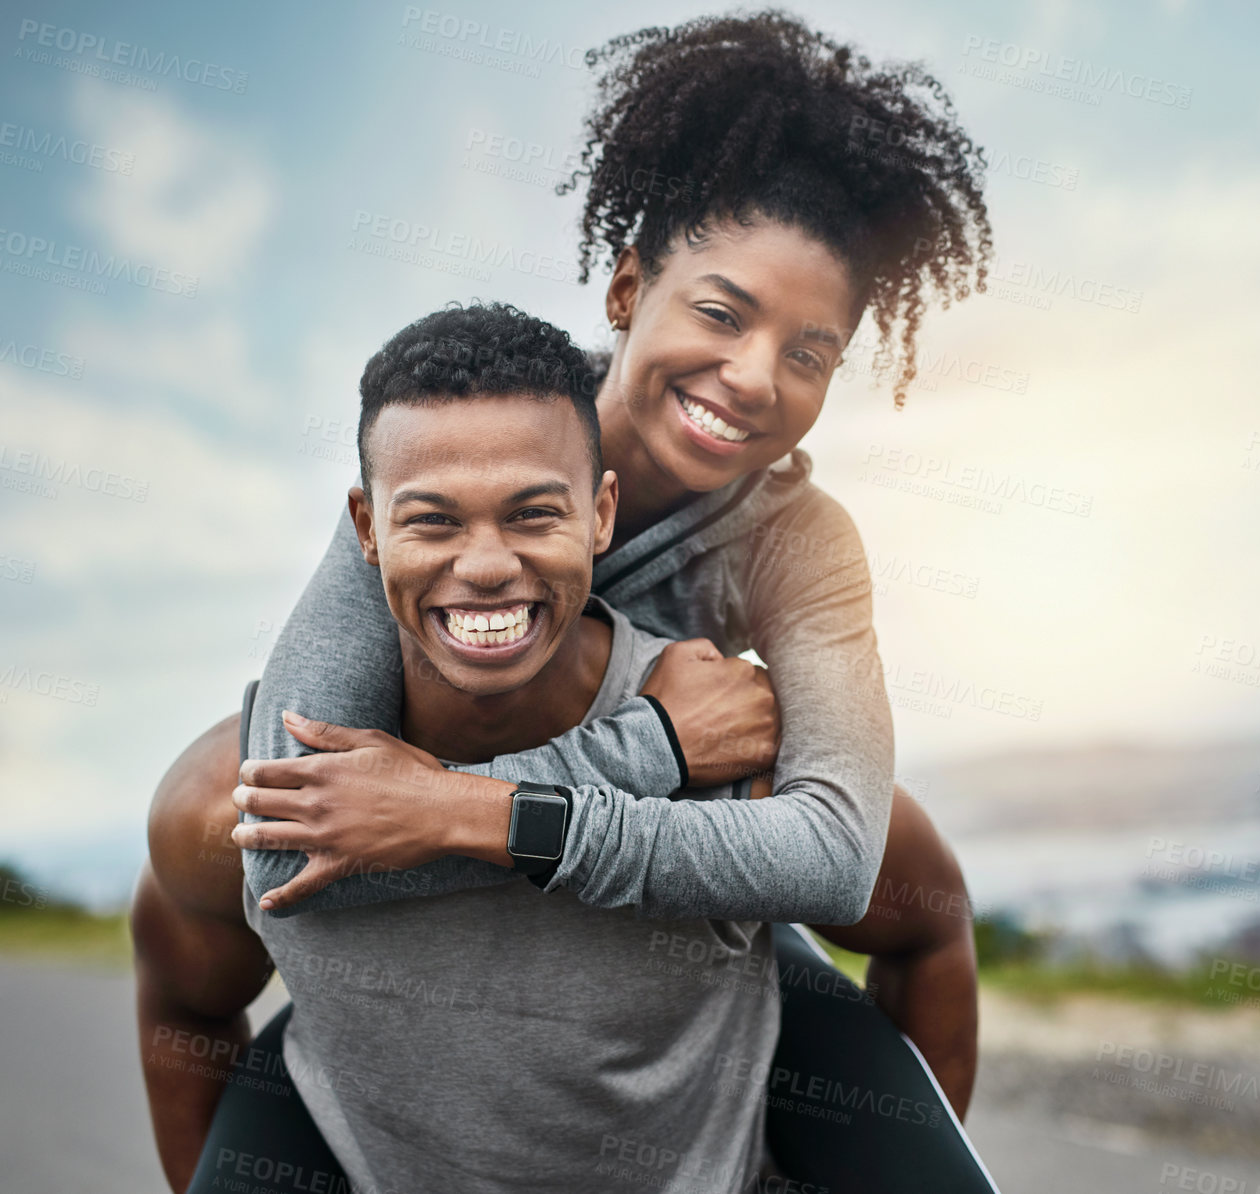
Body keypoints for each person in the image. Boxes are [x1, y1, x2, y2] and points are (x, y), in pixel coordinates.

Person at [139, 8, 993, 1188]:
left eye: (809, 352)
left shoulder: (797, 540)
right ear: (629, 287)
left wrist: (468, 813)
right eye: (721, 312)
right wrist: (647, 745)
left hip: (663, 866)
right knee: (203, 798)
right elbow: (291, 843)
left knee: (914, 876)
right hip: (524, 793)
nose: (753, 376)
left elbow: (837, 860)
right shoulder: (477, 433)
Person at [142, 302, 823, 1192]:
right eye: (431, 521)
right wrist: (646, 748)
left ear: (601, 513)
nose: (487, 564)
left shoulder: (737, 746)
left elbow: (923, 929)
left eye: (534, 513)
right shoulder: (227, 811)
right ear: (366, 530)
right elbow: (184, 1009)